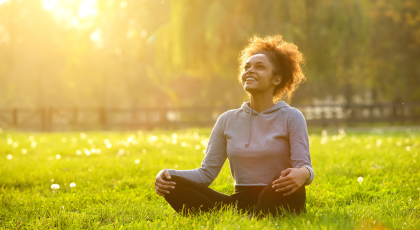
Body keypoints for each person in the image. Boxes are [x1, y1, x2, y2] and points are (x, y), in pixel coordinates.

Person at [154, 35, 314, 218]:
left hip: (280, 194)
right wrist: (166, 174)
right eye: (247, 67)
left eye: (259, 67)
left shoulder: (291, 117)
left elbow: (304, 167)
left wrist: (304, 174)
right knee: (172, 182)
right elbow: (206, 174)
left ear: (276, 80)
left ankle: (256, 216)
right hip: (241, 201)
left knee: (276, 186)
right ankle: (252, 216)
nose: (250, 71)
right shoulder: (227, 120)